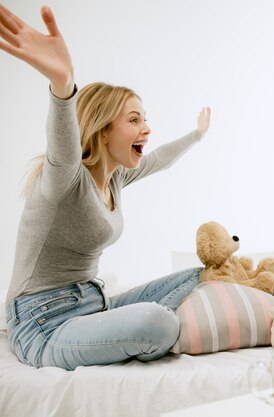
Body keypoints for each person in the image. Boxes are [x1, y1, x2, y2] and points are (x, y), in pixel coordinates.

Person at [1, 5, 210, 370]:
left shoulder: (116, 175)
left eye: (146, 119)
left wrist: (197, 135)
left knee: (202, 275)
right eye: (133, 120)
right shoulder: (65, 179)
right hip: (43, 325)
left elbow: (159, 158)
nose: (146, 129)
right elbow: (62, 145)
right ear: (102, 128)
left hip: (94, 303)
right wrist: (63, 85)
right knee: (157, 321)